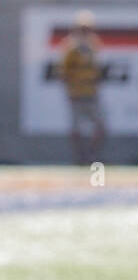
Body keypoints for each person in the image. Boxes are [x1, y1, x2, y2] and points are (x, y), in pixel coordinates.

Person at [56, 9, 105, 166]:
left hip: (91, 93)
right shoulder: (71, 47)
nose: (86, 32)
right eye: (83, 29)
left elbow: (97, 69)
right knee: (76, 128)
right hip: (77, 93)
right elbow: (63, 72)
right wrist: (70, 90)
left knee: (100, 126)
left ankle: (91, 155)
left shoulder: (93, 45)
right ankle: (80, 157)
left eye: (88, 28)